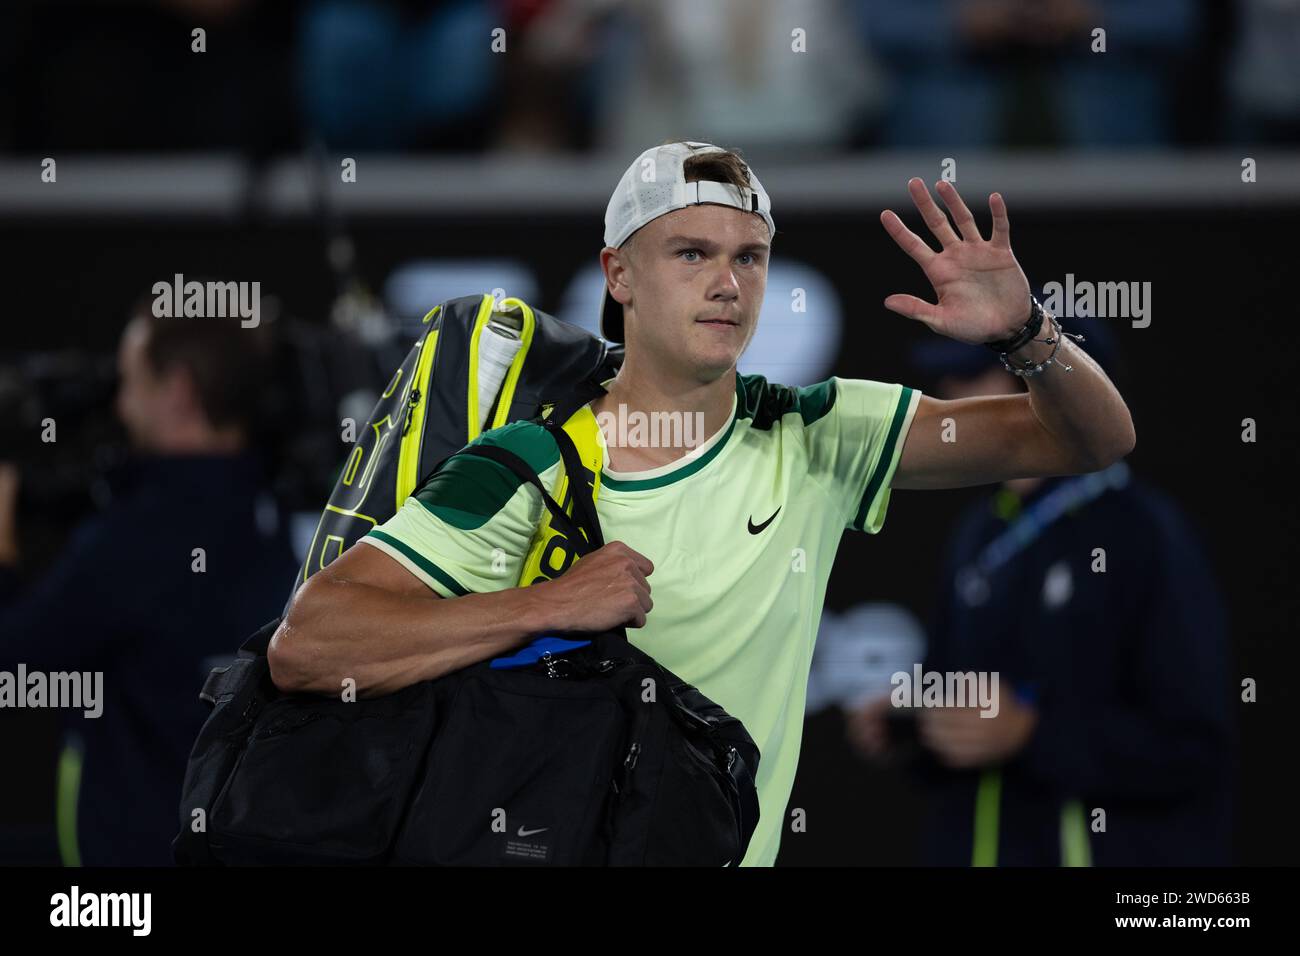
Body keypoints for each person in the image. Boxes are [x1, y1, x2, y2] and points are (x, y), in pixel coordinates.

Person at [270, 140, 1136, 867]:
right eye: (692, 254)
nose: (728, 283)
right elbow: (309, 644)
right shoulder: (528, 464)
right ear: (620, 274)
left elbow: (1090, 441)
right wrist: (545, 606)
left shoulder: (820, 433)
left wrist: (1029, 335)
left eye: (748, 257)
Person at [846, 324, 1233, 865]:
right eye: (942, 376)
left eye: (966, 374)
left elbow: (1193, 746)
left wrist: (1031, 735)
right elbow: (969, 708)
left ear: (1050, 387)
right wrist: (915, 723)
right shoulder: (979, 532)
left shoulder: (1145, 533)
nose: (949, 397)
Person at [0, 305, 298, 866]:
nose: (120, 405)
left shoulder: (131, 540)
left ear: (178, 391)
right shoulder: (285, 516)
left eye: (133, 383)